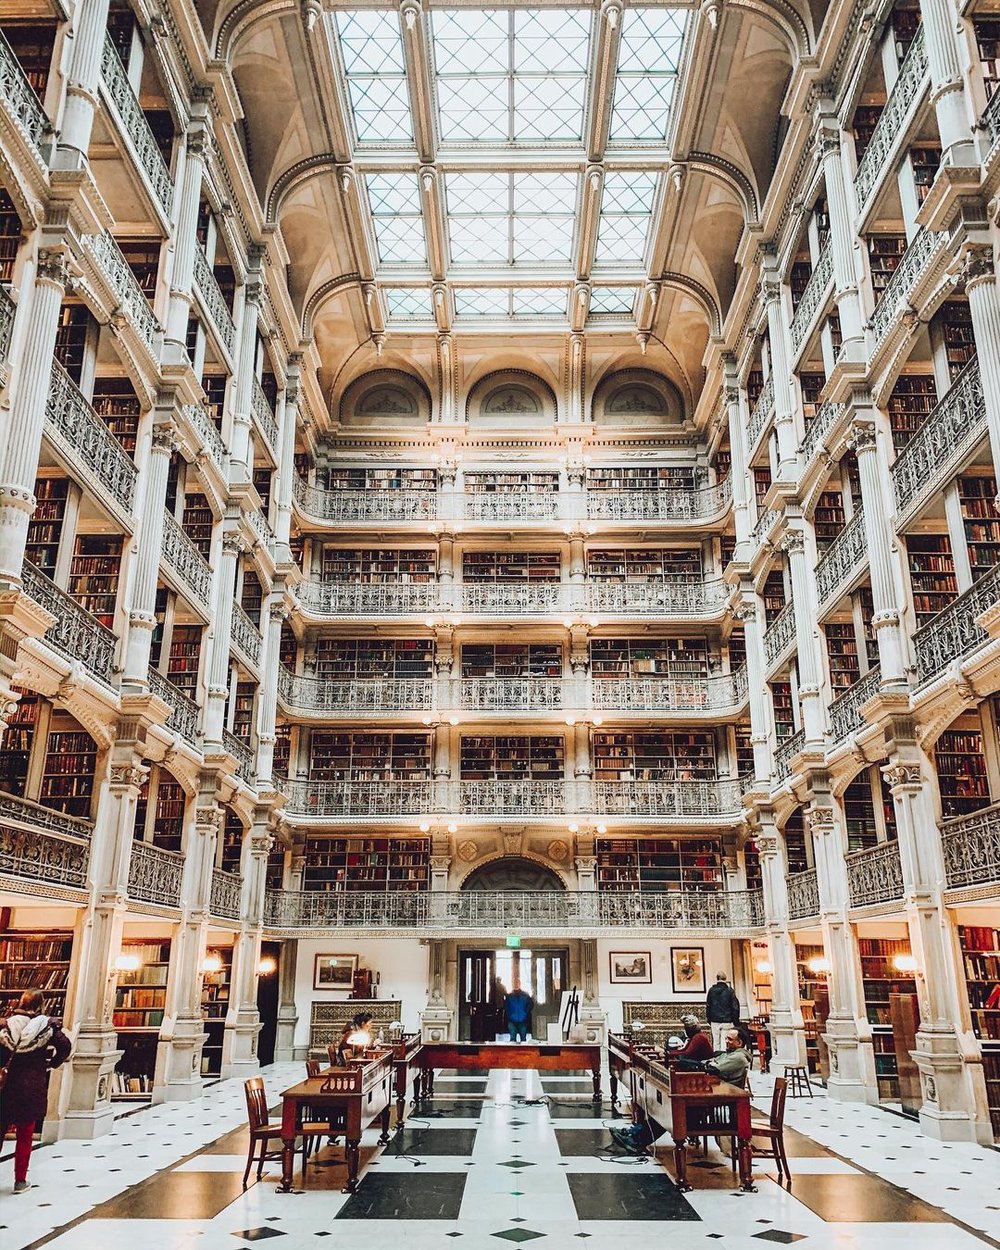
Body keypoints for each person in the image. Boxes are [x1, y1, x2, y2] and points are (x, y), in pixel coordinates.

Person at [0, 988, 72, 1194]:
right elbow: (65, 1047)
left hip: (5, 1086)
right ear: (40, 1005)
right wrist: (51, 1063)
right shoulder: (45, 1026)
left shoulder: (6, 1025)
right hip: (30, 1087)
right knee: (25, 1134)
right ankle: (20, 1180)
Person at [706, 972, 741, 1051]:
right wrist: (736, 1021)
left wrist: (708, 1019)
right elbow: (735, 1007)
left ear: (717, 979)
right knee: (725, 1042)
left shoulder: (711, 991)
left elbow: (708, 1005)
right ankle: (723, 1060)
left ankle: (717, 1059)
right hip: (727, 1021)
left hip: (714, 1020)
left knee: (716, 1042)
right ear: (725, 979)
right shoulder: (730, 991)